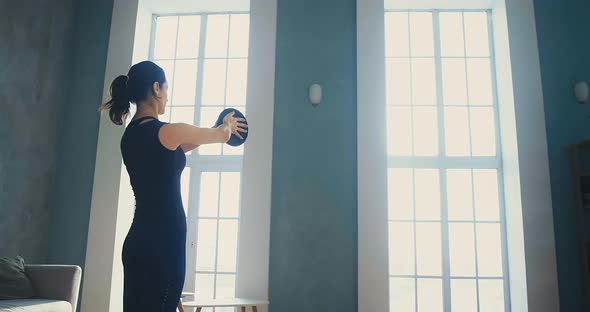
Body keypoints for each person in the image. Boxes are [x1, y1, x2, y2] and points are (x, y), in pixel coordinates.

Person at [101, 61, 247, 311]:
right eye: (166, 89)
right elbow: (221, 135)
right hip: (164, 244)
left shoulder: (131, 136)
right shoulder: (169, 131)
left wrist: (215, 128)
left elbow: (180, 147)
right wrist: (227, 125)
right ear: (157, 88)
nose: (167, 96)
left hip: (138, 244)